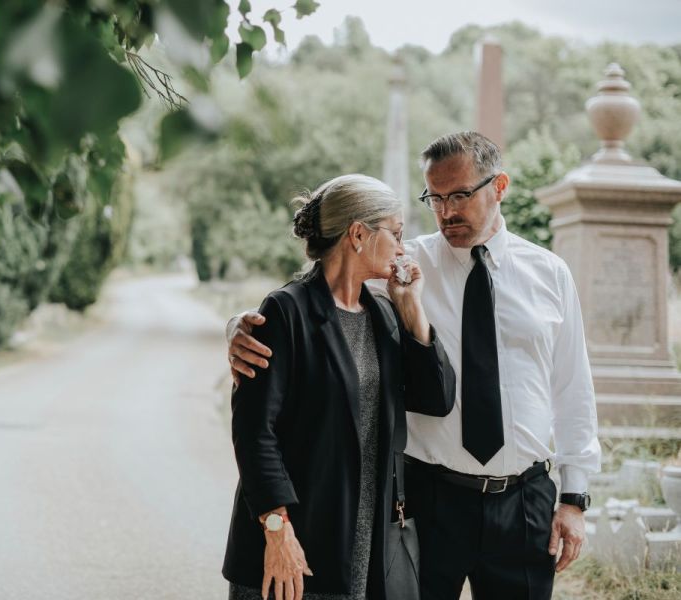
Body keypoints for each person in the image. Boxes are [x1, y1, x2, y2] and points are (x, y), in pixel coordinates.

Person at [227, 132, 601, 600]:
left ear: (499, 186)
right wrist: (240, 326)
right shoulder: (401, 266)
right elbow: (312, 295)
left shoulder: (547, 274)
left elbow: (572, 389)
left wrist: (574, 497)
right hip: (429, 501)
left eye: (460, 195)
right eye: (436, 198)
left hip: (524, 502)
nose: (446, 212)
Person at [222, 174, 456, 600]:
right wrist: (278, 531)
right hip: (291, 546)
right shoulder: (286, 311)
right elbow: (255, 433)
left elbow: (436, 399)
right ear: (358, 234)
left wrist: (412, 309)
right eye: (396, 233)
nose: (403, 248)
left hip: (363, 550)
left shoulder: (383, 314)